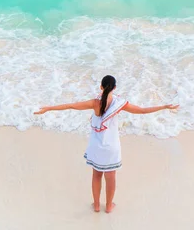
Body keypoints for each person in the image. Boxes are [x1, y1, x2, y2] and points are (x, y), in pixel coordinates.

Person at [34, 75, 178, 213]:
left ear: (101, 86)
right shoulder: (119, 104)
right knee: (111, 178)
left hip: (96, 146)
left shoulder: (94, 103)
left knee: (96, 175)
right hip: (111, 147)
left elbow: (71, 106)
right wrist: (164, 106)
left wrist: (48, 108)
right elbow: (142, 111)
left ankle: (96, 206)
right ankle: (109, 206)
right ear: (114, 88)